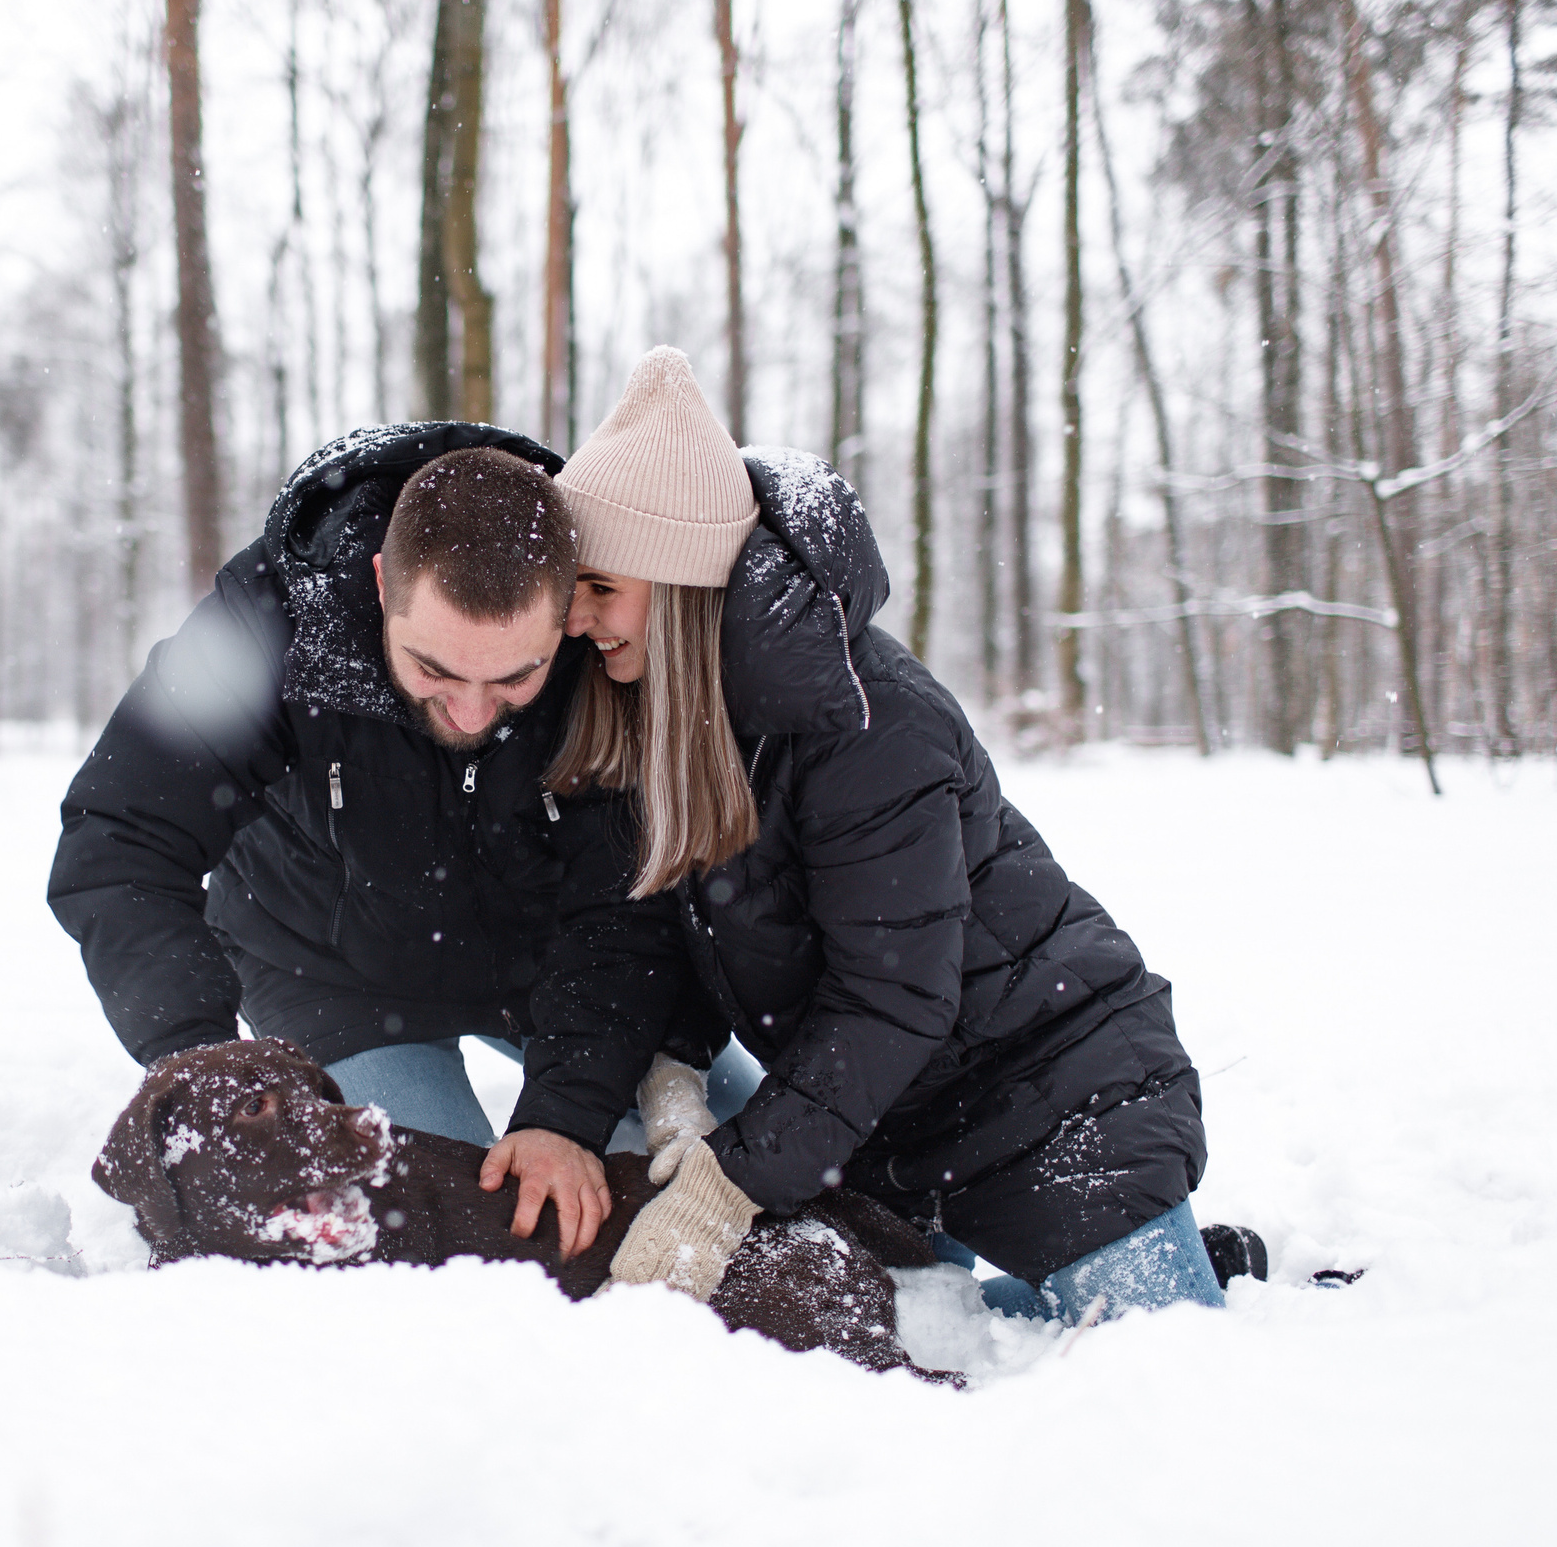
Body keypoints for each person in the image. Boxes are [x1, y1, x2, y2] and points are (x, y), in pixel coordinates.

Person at [499, 348, 1241, 1322]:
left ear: (678, 580)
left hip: (1062, 1098)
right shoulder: (659, 709)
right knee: (928, 1332)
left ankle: (1184, 1266)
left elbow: (891, 997)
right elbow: (662, 925)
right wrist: (673, 1075)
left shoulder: (870, 721)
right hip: (893, 1128)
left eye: (600, 586)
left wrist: (726, 1187)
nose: (577, 619)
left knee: (1147, 1350)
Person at [49, 422, 758, 1255]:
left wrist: (564, 1115)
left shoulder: (605, 650)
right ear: (384, 582)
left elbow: (624, 905)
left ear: (568, 604)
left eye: (515, 676)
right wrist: (200, 1058)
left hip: (549, 968)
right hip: (333, 973)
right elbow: (122, 839)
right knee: (447, 1236)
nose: (471, 710)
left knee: (742, 1158)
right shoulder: (268, 622)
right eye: (435, 669)